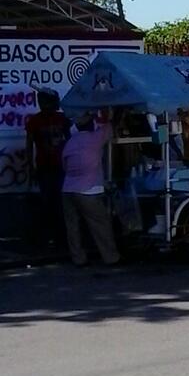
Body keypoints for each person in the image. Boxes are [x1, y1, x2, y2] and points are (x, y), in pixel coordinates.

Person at [61, 112, 120, 267]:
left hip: (68, 189)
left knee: (73, 227)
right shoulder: (95, 138)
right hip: (88, 189)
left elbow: (64, 166)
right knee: (101, 224)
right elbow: (111, 126)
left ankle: (78, 258)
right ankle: (111, 257)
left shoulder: (70, 142)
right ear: (91, 125)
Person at [25, 87, 71, 245]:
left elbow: (70, 142)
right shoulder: (34, 121)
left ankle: (62, 234)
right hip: (44, 167)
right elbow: (29, 145)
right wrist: (31, 167)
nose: (42, 104)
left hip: (61, 167)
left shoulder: (63, 118)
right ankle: (50, 234)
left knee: (62, 202)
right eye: (40, 101)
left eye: (45, 101)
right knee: (48, 202)